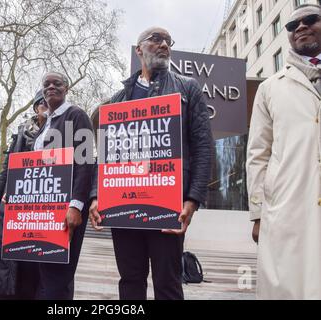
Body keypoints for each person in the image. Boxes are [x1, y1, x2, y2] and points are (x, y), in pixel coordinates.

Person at [89, 27, 213, 300]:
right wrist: (97, 196)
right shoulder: (118, 99)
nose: (164, 45)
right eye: (156, 39)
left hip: (167, 206)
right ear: (138, 50)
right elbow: (106, 156)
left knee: (167, 282)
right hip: (124, 205)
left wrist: (192, 200)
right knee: (130, 281)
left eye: (168, 41)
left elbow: (203, 147)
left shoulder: (187, 88)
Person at [247, 4, 321, 300]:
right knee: (290, 287)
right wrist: (257, 213)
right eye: (291, 26)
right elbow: (257, 155)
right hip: (287, 209)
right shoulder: (270, 89)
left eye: (310, 20)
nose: (300, 27)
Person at [33, 71, 94, 300]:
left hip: (65, 208)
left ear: (66, 88)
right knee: (45, 274)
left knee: (58, 277)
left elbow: (86, 161)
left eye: (56, 83)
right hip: (42, 208)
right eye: (46, 84)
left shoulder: (76, 115)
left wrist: (76, 205)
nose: (51, 87)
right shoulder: (46, 124)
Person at [0, 90, 48, 299]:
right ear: (36, 107)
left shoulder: (64, 129)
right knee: (11, 260)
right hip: (16, 205)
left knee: (35, 263)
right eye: (41, 103)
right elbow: (7, 168)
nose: (46, 106)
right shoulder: (21, 132)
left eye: (49, 103)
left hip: (45, 206)